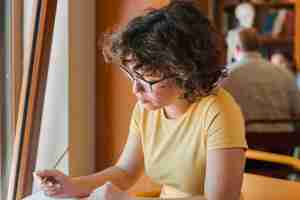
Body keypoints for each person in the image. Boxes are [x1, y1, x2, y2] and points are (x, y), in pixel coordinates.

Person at [35, 1, 247, 200]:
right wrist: (72, 185)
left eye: (147, 79)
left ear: (183, 72)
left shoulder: (219, 111)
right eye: (132, 77)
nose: (136, 89)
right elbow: (125, 172)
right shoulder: (147, 109)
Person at [222, 28, 300, 134]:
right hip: (285, 140)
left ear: (236, 48)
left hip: (247, 139)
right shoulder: (284, 73)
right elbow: (298, 110)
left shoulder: (227, 75)